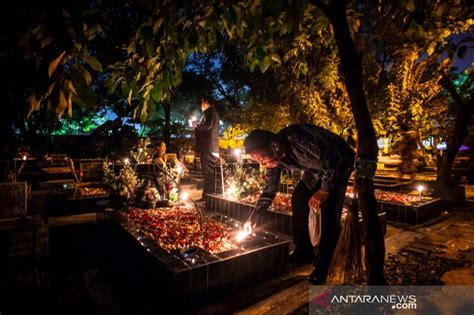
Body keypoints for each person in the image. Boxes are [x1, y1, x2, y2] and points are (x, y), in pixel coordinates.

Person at [243, 124, 355, 285]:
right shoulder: (275, 159)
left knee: (328, 209)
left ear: (274, 146)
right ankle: (304, 250)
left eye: (261, 158)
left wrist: (324, 191)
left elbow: (333, 159)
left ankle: (326, 263)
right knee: (299, 199)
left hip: (339, 164)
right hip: (315, 169)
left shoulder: (298, 138)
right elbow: (269, 189)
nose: (262, 164)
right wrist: (256, 215)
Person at [194, 97, 220, 201]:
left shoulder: (211, 112)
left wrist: (197, 127)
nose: (201, 106)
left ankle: (208, 197)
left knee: (209, 174)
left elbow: (208, 126)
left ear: (205, 103)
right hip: (209, 147)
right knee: (208, 174)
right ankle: (208, 196)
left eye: (202, 103)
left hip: (208, 148)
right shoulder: (212, 113)